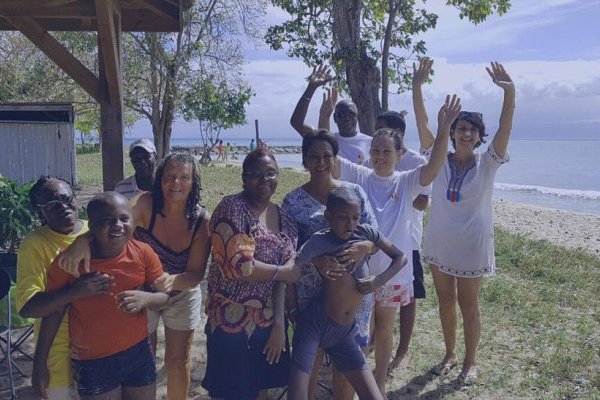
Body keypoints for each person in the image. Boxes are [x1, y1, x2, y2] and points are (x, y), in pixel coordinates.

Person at [333, 96, 462, 396]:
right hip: (360, 272)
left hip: (392, 274)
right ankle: (356, 382)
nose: (380, 157)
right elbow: (329, 158)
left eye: (386, 151)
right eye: (375, 151)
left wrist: (444, 128)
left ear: (399, 154)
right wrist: (326, 116)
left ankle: (379, 382)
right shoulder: (360, 175)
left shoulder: (406, 181)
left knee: (384, 329)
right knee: (359, 332)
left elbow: (435, 165)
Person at [58, 153, 211, 400]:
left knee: (178, 361)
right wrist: (83, 240)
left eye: (184, 178)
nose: (176, 183)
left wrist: (172, 281)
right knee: (144, 355)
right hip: (142, 289)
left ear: (194, 182)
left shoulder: (201, 220)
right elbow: (112, 221)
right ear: (159, 179)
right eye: (170, 176)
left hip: (182, 291)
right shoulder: (145, 203)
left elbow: (196, 274)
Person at [413, 60, 515, 386]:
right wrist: (417, 86)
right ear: (453, 132)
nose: (466, 133)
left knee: (469, 305)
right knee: (445, 302)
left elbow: (505, 126)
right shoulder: (438, 158)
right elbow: (422, 123)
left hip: (472, 245)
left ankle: (470, 362)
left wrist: (509, 93)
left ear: (480, 136)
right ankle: (450, 354)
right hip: (440, 242)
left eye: (472, 130)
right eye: (461, 128)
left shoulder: (488, 164)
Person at [35, 192, 169, 400]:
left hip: (138, 352)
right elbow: (53, 312)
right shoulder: (71, 262)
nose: (118, 225)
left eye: (124, 218)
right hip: (93, 360)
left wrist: (146, 299)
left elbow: (165, 296)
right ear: (92, 226)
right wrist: (39, 363)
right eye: (107, 221)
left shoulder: (143, 252)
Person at [282, 130, 378, 400]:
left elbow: (375, 237)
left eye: (327, 155)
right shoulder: (292, 202)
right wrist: (315, 259)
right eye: (314, 156)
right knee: (308, 369)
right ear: (304, 160)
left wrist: (364, 247)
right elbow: (287, 250)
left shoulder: (354, 192)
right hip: (310, 300)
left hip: (352, 301)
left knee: (346, 373)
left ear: (335, 158)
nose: (321, 162)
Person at [288, 187, 407, 400]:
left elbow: (401, 258)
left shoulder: (366, 234)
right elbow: (291, 270)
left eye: (355, 217)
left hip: (344, 332)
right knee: (298, 393)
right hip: (314, 324)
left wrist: (378, 281)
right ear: (328, 216)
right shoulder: (320, 240)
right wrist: (290, 311)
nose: (350, 224)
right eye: (343, 218)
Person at [202, 147, 300, 400]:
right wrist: (283, 272)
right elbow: (240, 267)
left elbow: (284, 278)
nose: (263, 180)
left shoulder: (285, 217)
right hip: (230, 323)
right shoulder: (232, 208)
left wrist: (279, 325)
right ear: (244, 178)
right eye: (255, 174)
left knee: (261, 392)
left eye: (270, 173)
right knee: (231, 394)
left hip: (267, 323)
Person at [15, 176, 113, 399]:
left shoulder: (95, 231)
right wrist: (73, 292)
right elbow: (29, 307)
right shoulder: (34, 244)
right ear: (40, 211)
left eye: (67, 199)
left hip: (100, 350)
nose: (63, 207)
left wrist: (85, 238)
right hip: (58, 354)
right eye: (52, 205)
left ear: (75, 199)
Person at [365, 111, 431, 371]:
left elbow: (423, 200)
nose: (380, 154)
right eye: (376, 146)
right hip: (372, 255)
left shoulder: (414, 164)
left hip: (407, 240)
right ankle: (370, 348)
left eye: (383, 129)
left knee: (407, 298)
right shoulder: (368, 169)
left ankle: (402, 350)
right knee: (372, 315)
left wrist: (399, 197)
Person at [290, 64, 372, 164]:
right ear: (335, 118)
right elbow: (296, 122)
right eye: (341, 115)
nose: (347, 118)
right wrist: (311, 88)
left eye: (351, 114)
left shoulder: (371, 142)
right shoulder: (327, 140)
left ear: (357, 116)